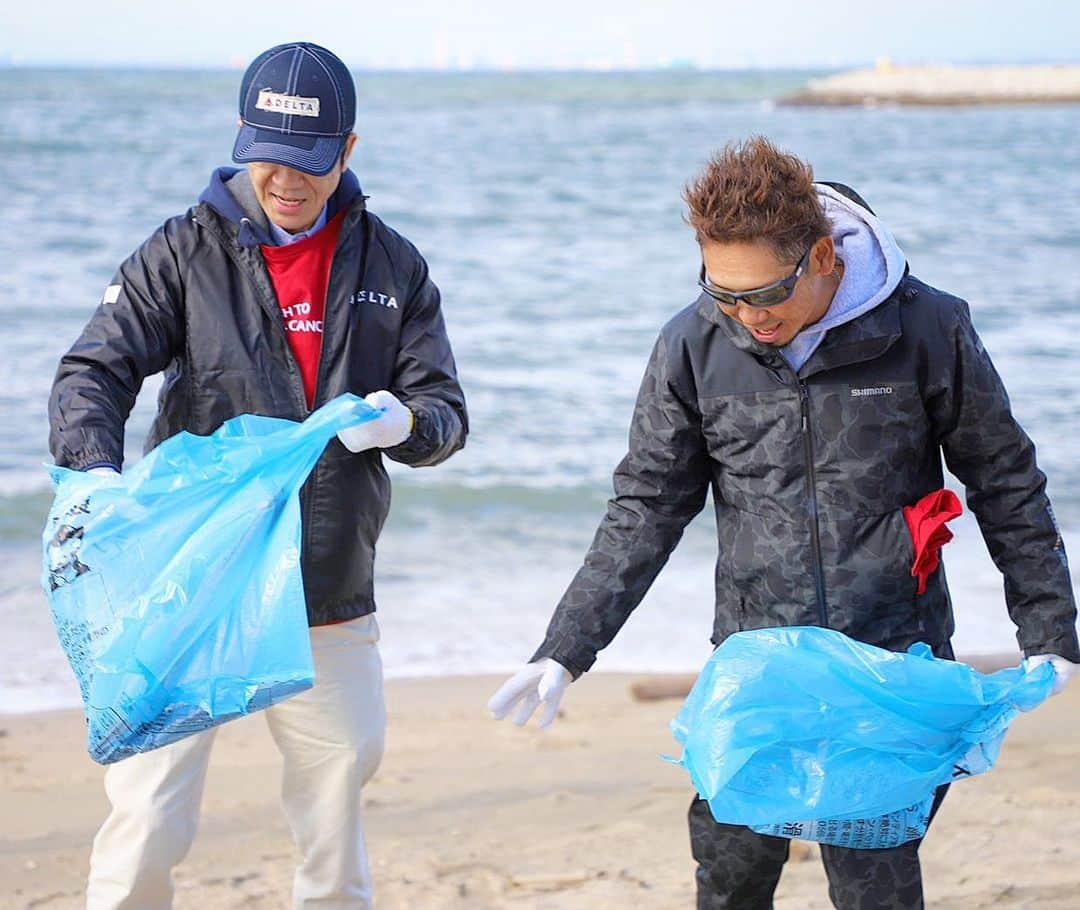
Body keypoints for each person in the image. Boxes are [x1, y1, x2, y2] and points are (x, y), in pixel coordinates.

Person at [488, 135, 1078, 909]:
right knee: (730, 875)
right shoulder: (693, 344)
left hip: (888, 661)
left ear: (825, 257)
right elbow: (647, 507)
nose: (744, 315)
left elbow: (1004, 481)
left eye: (764, 295)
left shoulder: (926, 328)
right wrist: (566, 648)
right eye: (723, 292)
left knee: (875, 883)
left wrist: (1050, 630)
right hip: (755, 663)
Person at [48, 41, 467, 910]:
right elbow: (92, 371)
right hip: (190, 582)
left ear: (347, 151)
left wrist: (405, 424)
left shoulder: (394, 266)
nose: (286, 180)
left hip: (326, 585)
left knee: (336, 804)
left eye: (310, 161)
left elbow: (444, 413)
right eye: (269, 155)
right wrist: (92, 474)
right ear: (244, 136)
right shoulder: (182, 251)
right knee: (147, 815)